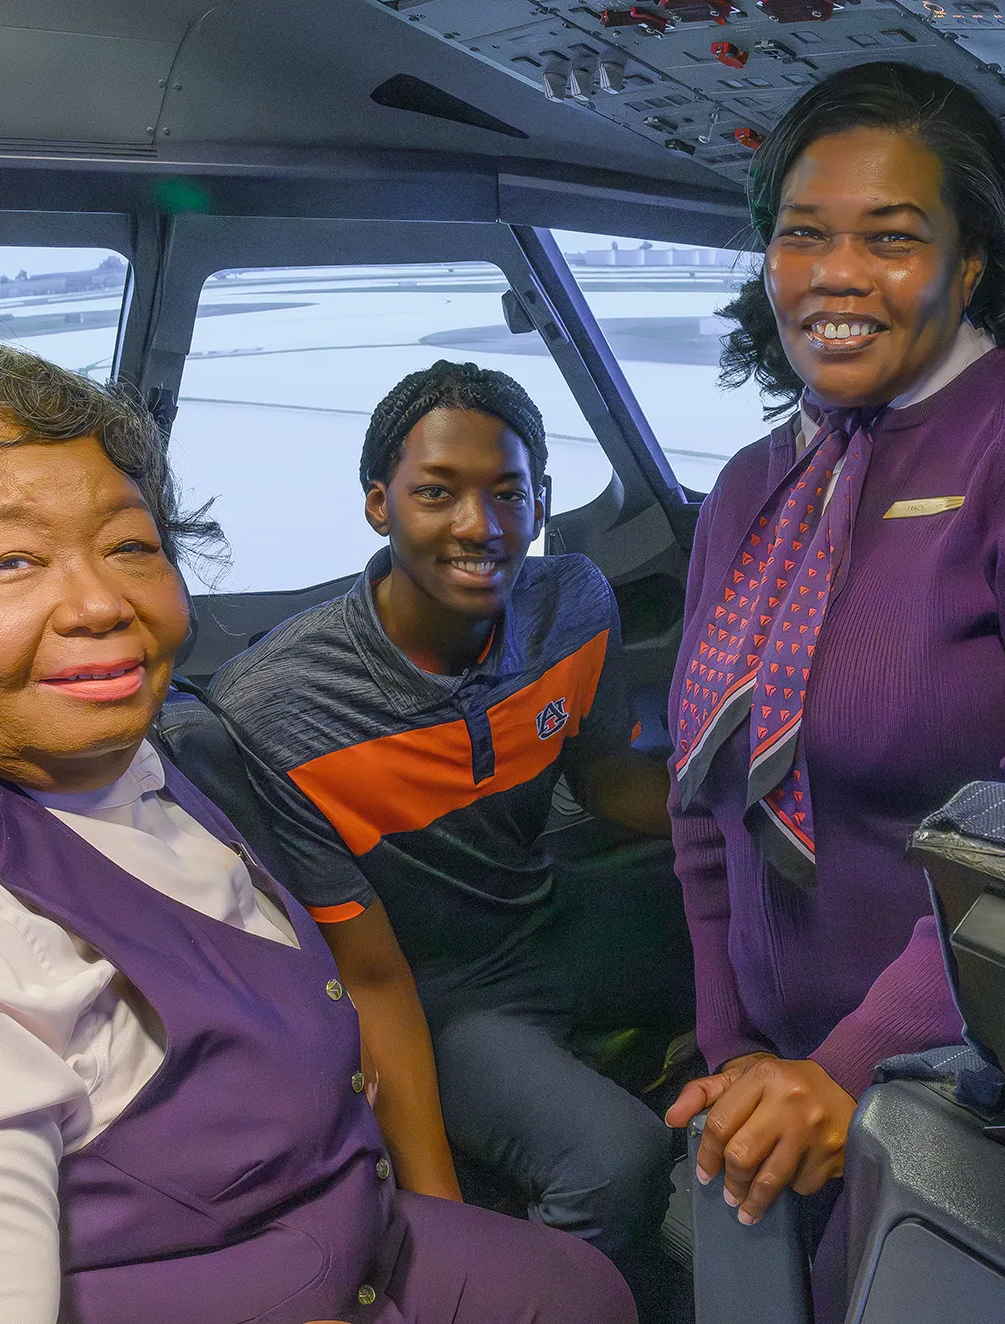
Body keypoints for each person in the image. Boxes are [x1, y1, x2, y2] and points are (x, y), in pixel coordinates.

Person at [0, 345, 635, 1324]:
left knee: (585, 1291)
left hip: (335, 1216)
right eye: (11, 560)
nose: (101, 601)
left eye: (130, 546)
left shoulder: (117, 746)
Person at [660, 62, 1005, 1318]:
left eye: (890, 237)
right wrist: (736, 1047)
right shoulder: (752, 488)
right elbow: (706, 805)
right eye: (801, 234)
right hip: (800, 1072)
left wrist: (853, 1064)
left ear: (972, 266)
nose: (835, 273)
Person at [207, 361, 676, 1292]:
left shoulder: (572, 604)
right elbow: (372, 980)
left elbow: (613, 779)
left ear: (540, 503)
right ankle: (540, 1298)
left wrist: (750, 827)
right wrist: (446, 1229)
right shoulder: (283, 711)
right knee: (615, 1163)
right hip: (441, 992)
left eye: (509, 494)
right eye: (437, 493)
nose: (480, 525)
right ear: (380, 505)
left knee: (772, 936)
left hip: (546, 913)